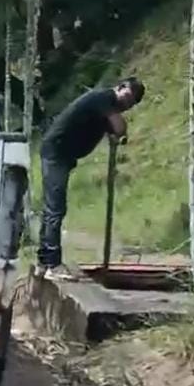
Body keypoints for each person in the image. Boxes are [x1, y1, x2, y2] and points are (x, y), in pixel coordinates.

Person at [36, 77, 146, 281]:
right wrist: (119, 131)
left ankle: (43, 262)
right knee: (55, 209)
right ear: (120, 87)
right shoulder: (103, 98)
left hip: (62, 155)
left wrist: (118, 134)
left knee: (53, 209)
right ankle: (52, 264)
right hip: (55, 153)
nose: (126, 105)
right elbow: (119, 127)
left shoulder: (105, 108)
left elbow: (117, 132)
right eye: (127, 98)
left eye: (131, 104)